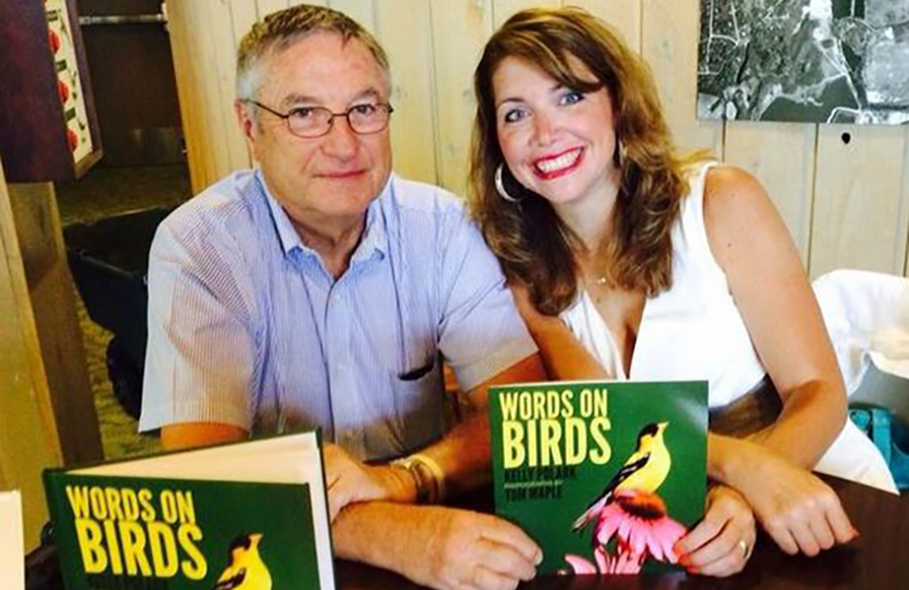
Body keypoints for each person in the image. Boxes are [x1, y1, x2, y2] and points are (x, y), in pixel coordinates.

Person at [469, 6, 897, 578]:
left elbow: (820, 392)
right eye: (516, 113)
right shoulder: (518, 259)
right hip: (670, 525)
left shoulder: (720, 201)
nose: (545, 134)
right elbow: (613, 426)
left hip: (814, 486)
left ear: (617, 103)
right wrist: (732, 470)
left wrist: (747, 489)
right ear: (498, 140)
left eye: (569, 96)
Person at [139, 5, 547, 590]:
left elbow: (521, 419)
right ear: (250, 126)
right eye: (304, 113)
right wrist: (394, 536)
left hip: (434, 523)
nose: (344, 144)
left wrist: (407, 480)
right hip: (272, 558)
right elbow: (205, 478)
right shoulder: (200, 246)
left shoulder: (442, 227)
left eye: (363, 109)